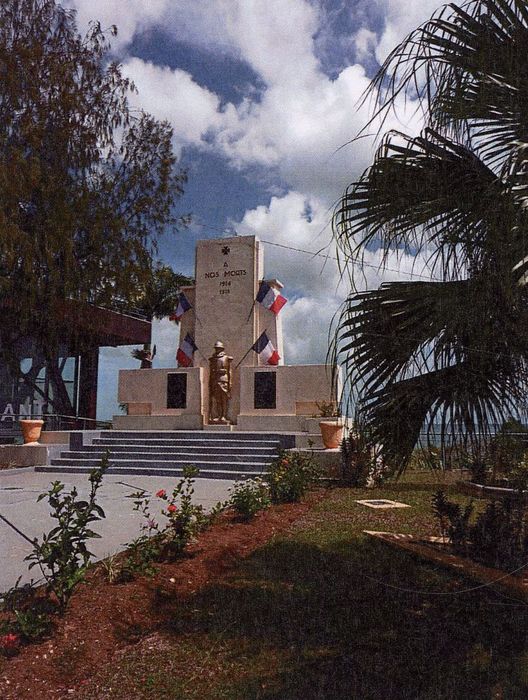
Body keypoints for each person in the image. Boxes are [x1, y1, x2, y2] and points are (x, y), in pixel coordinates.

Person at [208, 341, 232, 423]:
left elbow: (229, 372)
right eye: (216, 348)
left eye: (218, 348)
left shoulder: (226, 358)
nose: (217, 350)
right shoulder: (213, 359)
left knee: (224, 400)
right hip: (215, 380)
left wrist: (230, 382)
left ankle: (223, 416)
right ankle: (218, 415)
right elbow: (211, 372)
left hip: (223, 380)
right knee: (217, 400)